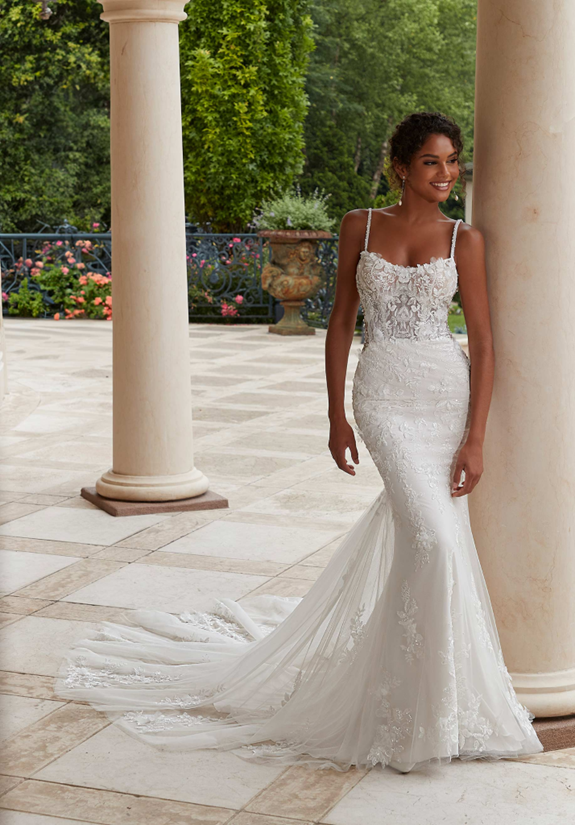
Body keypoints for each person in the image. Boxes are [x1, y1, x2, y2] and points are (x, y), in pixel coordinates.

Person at [55, 112, 544, 774]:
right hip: (383, 397)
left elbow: (483, 341)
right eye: (432, 161)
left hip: (442, 393)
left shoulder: (466, 238)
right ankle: (412, 705)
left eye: (453, 161)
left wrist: (476, 436)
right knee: (430, 538)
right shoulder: (359, 225)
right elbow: (340, 320)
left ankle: (434, 702)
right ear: (401, 166)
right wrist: (336, 414)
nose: (447, 173)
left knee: (436, 540)